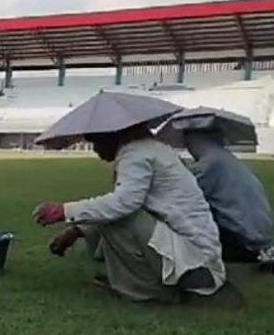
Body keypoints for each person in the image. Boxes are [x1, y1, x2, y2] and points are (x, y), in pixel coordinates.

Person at [34, 124, 232, 304]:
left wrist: (63, 211)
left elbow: (122, 205)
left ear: (112, 135)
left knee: (118, 216)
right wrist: (75, 230)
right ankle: (142, 283)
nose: (95, 150)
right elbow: (125, 203)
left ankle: (150, 292)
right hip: (196, 256)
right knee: (110, 213)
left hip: (195, 263)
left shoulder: (136, 153)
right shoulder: (149, 148)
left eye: (96, 142)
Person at [181, 131, 274, 273]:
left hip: (242, 238)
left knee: (186, 217)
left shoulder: (211, 163)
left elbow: (187, 193)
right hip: (258, 233)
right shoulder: (225, 158)